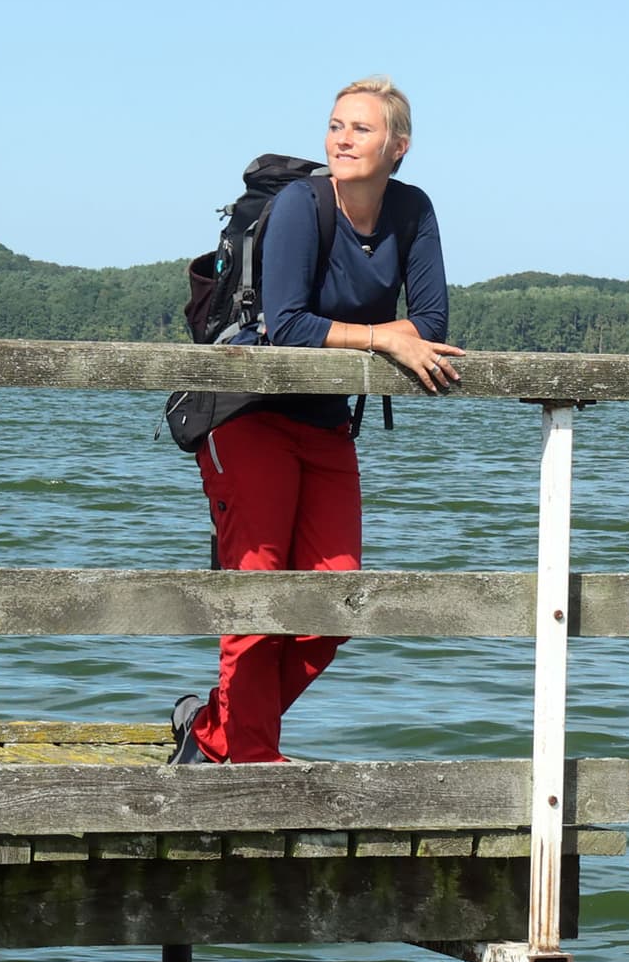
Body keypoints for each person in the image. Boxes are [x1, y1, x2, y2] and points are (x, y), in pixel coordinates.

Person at [170, 76, 464, 764]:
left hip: (327, 422)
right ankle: (248, 768)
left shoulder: (412, 210)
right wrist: (382, 336)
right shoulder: (304, 206)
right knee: (260, 591)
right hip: (249, 415)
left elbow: (433, 322)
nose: (342, 138)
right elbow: (291, 323)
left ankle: (212, 730)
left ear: (399, 146)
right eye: (335, 125)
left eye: (361, 128)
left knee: (336, 601)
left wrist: (400, 332)